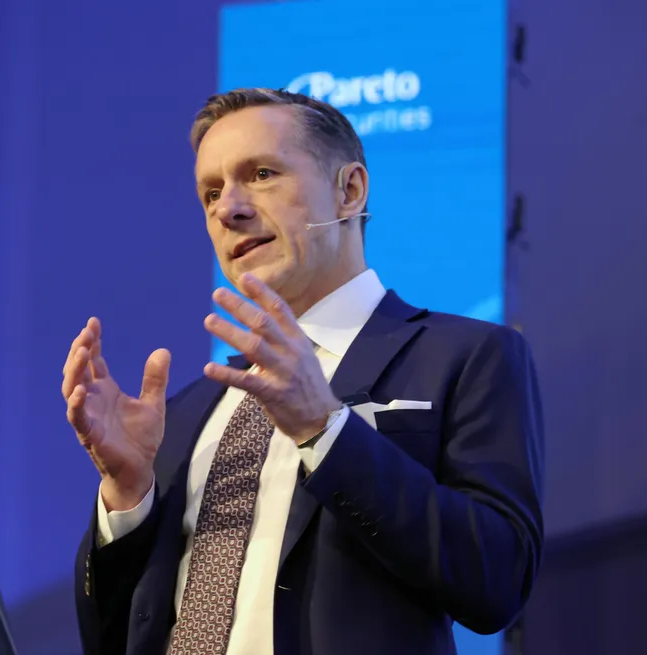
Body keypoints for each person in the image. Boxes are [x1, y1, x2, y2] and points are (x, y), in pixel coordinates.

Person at [62, 88, 544, 655]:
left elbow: (497, 581)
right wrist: (126, 497)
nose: (228, 209)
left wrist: (325, 428)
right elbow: (110, 638)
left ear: (349, 190)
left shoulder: (465, 356)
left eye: (262, 174)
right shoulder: (186, 413)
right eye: (211, 193)